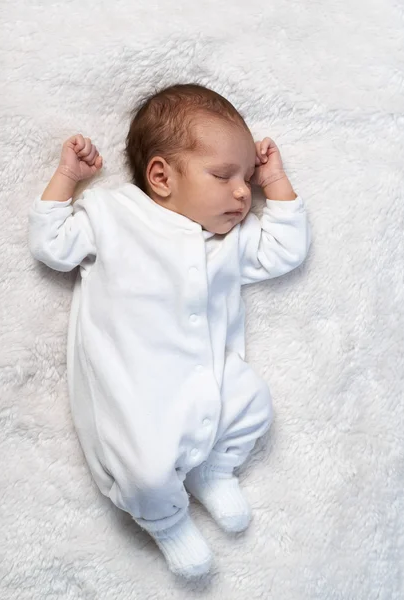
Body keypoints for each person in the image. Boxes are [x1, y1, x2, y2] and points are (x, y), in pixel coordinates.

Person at [28, 83, 311, 578]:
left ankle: (213, 470)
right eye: (224, 175)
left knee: (253, 403)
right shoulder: (114, 214)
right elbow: (52, 244)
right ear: (160, 175)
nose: (244, 192)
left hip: (208, 376)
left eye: (248, 177)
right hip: (135, 390)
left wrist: (279, 182)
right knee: (143, 468)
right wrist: (66, 178)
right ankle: (167, 521)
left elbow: (285, 251)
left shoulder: (229, 241)